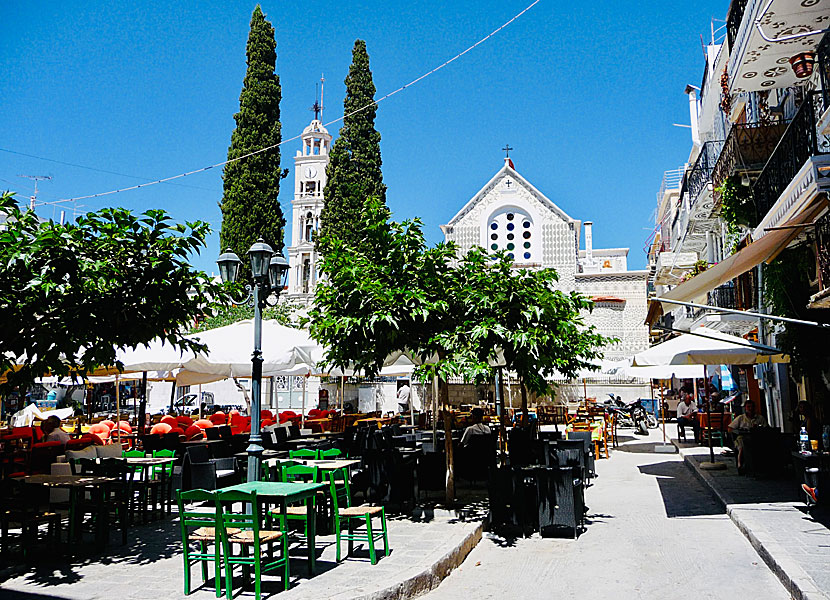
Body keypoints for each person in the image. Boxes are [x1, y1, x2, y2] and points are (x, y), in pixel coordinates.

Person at [728, 400, 767, 472]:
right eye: (748, 407)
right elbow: (730, 428)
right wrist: (739, 432)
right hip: (742, 438)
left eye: (752, 407)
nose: (750, 408)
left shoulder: (760, 418)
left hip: (757, 438)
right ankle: (740, 465)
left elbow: (766, 428)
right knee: (742, 446)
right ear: (745, 408)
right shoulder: (741, 418)